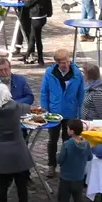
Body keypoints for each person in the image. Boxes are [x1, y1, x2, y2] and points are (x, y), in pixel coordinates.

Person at [0, 83, 35, 202]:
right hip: (17, 150)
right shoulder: (15, 107)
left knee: (2, 184)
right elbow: (27, 108)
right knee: (21, 185)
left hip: (1, 151)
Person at [40, 48, 85, 178]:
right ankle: (51, 165)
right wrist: (45, 110)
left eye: (67, 62)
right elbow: (44, 92)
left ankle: (66, 165)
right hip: (54, 112)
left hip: (70, 112)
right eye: (62, 63)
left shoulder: (77, 74)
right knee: (52, 140)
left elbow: (81, 94)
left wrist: (79, 112)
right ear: (57, 63)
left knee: (68, 140)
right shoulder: (50, 73)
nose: (65, 65)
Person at [54, 119, 90, 202]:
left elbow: (60, 160)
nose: (67, 130)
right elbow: (90, 157)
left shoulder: (67, 144)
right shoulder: (86, 143)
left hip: (66, 177)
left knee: (64, 198)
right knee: (78, 198)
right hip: (79, 177)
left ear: (72, 131)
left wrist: (56, 157)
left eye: (68, 128)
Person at [21, 0, 52, 65]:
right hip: (42, 18)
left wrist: (25, 0)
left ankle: (26, 57)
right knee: (37, 38)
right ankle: (40, 59)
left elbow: (27, 4)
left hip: (36, 18)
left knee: (32, 39)